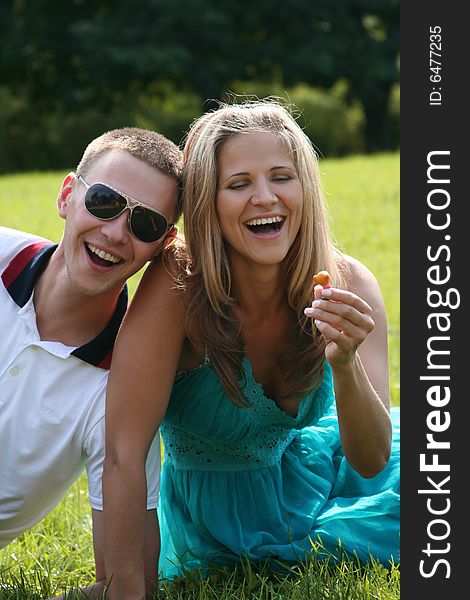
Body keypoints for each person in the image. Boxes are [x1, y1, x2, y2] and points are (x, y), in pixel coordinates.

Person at [102, 100, 400, 599]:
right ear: (208, 203)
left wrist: (345, 366)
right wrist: (124, 589)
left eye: (282, 176)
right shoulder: (178, 288)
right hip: (216, 515)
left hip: (310, 469)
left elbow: (369, 459)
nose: (265, 198)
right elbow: (123, 453)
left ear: (305, 185)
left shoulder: (349, 282)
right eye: (239, 184)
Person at [0, 127, 183, 596]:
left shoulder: (119, 398)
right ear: (67, 195)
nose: (116, 233)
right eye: (103, 201)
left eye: (144, 225)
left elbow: (129, 586)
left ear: (162, 245)